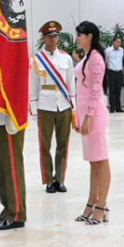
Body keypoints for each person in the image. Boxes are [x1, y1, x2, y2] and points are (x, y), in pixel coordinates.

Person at [73, 21, 112, 225]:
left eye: (80, 35)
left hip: (94, 114)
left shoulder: (96, 58)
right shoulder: (87, 57)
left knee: (101, 160)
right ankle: (91, 202)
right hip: (85, 112)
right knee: (93, 162)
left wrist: (87, 117)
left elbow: (96, 91)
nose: (77, 38)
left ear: (89, 36)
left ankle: (102, 204)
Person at [32, 21, 75, 194]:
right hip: (45, 105)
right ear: (44, 38)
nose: (53, 39)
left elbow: (71, 82)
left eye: (55, 36)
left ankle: (60, 179)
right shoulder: (36, 59)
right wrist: (34, 110)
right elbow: (32, 85)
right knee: (45, 144)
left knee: (63, 144)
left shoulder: (66, 58)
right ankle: (49, 180)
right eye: (49, 36)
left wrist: (74, 105)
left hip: (63, 104)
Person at [0, 111, 27, 231]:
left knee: (12, 167)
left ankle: (16, 214)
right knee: (4, 166)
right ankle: (8, 210)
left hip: (10, 116)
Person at [104, 37, 124, 112]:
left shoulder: (122, 50)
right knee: (111, 91)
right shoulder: (108, 50)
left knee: (118, 90)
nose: (119, 43)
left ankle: (118, 107)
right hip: (111, 72)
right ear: (113, 42)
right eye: (118, 42)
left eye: (120, 42)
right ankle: (112, 107)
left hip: (119, 72)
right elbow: (105, 61)